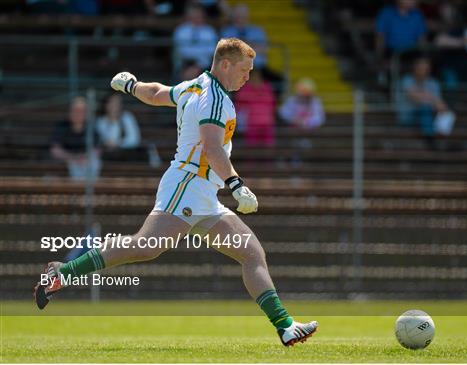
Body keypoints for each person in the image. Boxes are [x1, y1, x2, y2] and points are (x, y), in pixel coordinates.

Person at [34, 38, 318, 347]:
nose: (247, 77)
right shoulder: (215, 99)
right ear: (225, 64)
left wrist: (131, 86)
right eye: (244, 70)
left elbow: (156, 94)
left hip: (202, 192)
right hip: (188, 185)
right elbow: (212, 148)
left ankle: (285, 326)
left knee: (252, 253)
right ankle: (63, 273)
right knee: (144, 246)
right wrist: (237, 184)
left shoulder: (196, 86)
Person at [397, 57, 455, 142]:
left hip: (429, 114)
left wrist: (439, 105)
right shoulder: (407, 80)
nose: (423, 71)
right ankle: (430, 137)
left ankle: (441, 136)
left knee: (447, 112)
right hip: (408, 116)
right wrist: (432, 100)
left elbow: (439, 103)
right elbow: (414, 98)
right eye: (420, 68)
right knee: (425, 107)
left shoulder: (433, 83)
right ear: (414, 68)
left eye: (425, 69)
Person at [50, 97, 101, 181]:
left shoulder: (91, 128)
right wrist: (73, 158)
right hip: (67, 161)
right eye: (75, 110)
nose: (77, 114)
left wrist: (85, 158)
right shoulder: (62, 126)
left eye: (81, 111)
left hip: (86, 162)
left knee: (95, 162)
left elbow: (97, 150)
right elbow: (55, 150)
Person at [234, 68, 276, 147]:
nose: (256, 79)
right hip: (251, 123)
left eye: (258, 76)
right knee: (252, 147)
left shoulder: (267, 88)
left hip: (267, 122)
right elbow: (239, 103)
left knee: (268, 147)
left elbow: (272, 103)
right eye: (253, 76)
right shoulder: (245, 88)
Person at [172, 4, 218, 73]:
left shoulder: (209, 31)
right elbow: (180, 49)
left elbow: (212, 50)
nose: (197, 18)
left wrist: (198, 62)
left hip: (204, 63)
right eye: (194, 16)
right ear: (188, 16)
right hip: (185, 62)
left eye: (199, 16)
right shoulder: (181, 30)